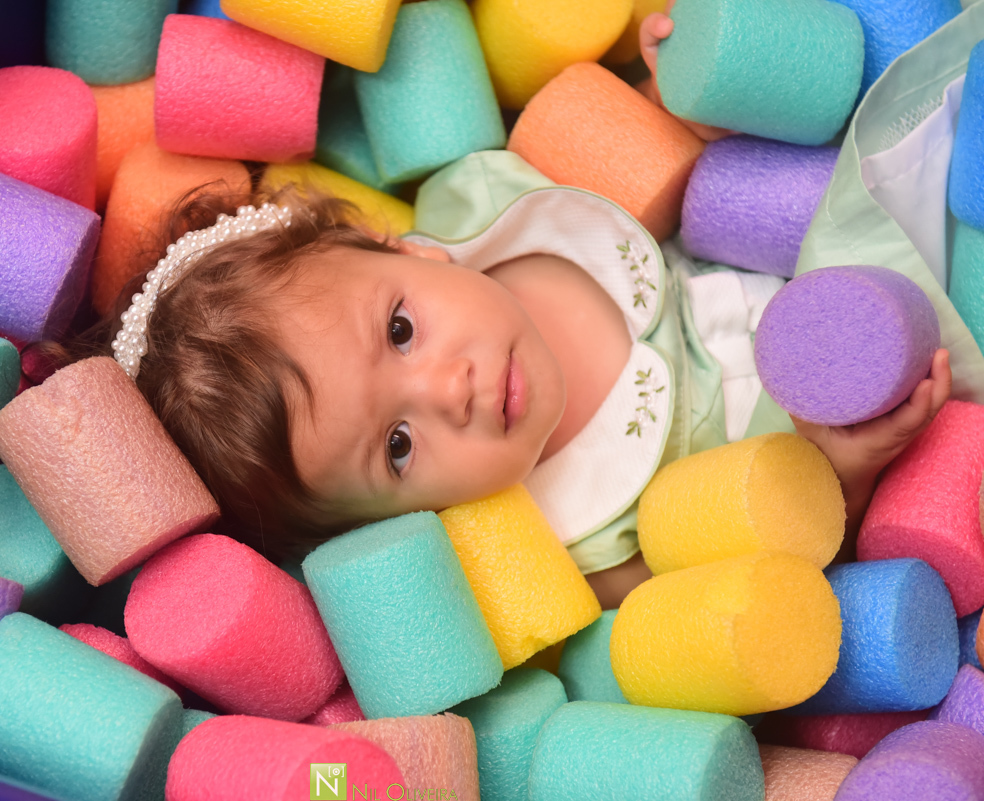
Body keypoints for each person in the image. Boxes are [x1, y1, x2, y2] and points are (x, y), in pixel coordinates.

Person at [60, 13, 955, 609]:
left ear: (404, 248)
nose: (445, 390)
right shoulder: (571, 537)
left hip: (844, 212)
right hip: (892, 379)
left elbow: (661, 159)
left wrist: (690, 96)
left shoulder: (496, 203)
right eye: (398, 446)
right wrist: (845, 473)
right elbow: (764, 554)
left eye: (400, 331)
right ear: (396, 525)